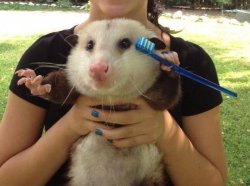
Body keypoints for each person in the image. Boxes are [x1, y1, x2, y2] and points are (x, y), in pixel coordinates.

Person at [0, 0, 227, 185]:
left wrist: (165, 133)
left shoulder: (191, 64)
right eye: (89, 48)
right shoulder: (46, 55)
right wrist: (71, 125)